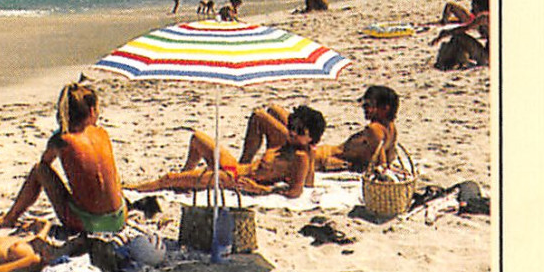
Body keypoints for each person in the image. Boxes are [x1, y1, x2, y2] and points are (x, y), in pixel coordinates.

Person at [0, 82, 126, 236]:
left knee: (39, 170)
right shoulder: (102, 133)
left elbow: (45, 163)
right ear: (91, 111)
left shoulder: (61, 140)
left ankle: (10, 218)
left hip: (88, 223)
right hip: (119, 218)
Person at [129, 105, 327, 200]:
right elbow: (264, 115)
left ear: (312, 138)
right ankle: (184, 179)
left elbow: (296, 191)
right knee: (197, 138)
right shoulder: (286, 142)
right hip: (237, 167)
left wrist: (260, 190)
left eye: (301, 132)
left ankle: (134, 188)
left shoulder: (300, 157)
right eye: (293, 127)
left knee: (169, 178)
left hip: (232, 179)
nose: (293, 133)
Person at [240, 86, 399, 173]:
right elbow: (386, 157)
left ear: (384, 108)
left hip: (314, 155)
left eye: (368, 105)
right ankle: (268, 155)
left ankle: (243, 163)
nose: (364, 109)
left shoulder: (374, 130)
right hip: (316, 148)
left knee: (259, 116)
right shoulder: (391, 129)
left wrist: (348, 165)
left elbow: (380, 165)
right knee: (274, 110)